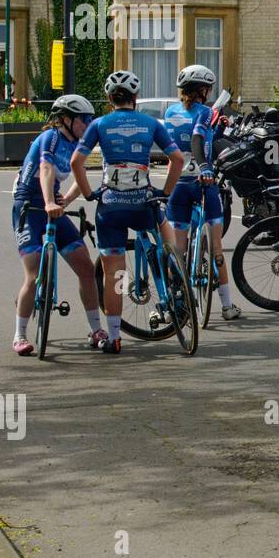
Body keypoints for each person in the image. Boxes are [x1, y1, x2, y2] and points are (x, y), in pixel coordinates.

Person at [70, 71, 185, 354]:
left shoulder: (99, 124)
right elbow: (177, 158)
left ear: (109, 99)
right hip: (142, 206)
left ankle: (114, 337)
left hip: (111, 208)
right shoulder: (149, 122)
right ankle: (174, 267)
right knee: (161, 219)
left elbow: (76, 162)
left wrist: (88, 193)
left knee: (115, 275)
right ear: (135, 98)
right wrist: (166, 192)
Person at [11, 94, 105, 355]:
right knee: (33, 274)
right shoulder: (51, 137)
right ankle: (20, 335)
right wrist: (50, 202)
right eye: (83, 119)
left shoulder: (78, 144)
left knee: (86, 268)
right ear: (66, 119)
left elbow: (79, 173)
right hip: (29, 204)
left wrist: (67, 200)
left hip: (51, 203)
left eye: (89, 119)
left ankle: (96, 329)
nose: (87, 124)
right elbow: (46, 170)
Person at [164, 64, 241, 321]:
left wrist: (217, 130)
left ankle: (175, 301)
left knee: (178, 249)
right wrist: (204, 165)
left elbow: (183, 140)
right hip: (202, 182)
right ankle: (227, 306)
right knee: (216, 246)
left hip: (177, 184)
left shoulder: (171, 111)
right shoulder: (207, 111)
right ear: (203, 90)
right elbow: (197, 139)